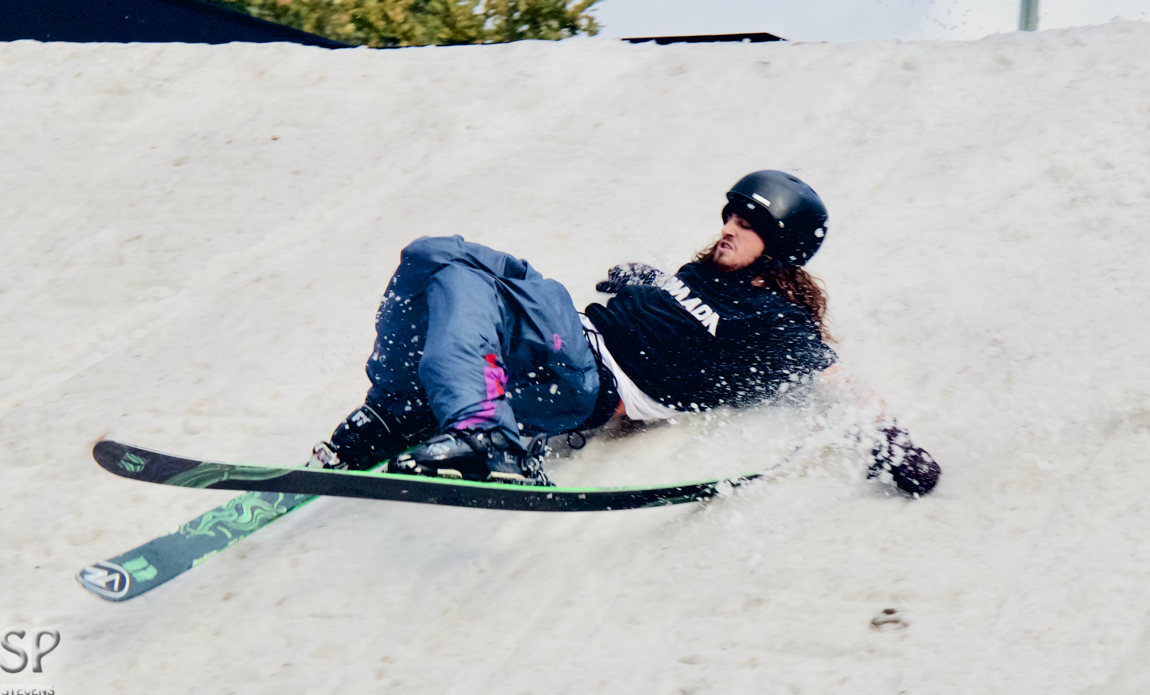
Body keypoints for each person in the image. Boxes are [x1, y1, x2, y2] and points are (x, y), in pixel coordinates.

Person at [309, 170, 940, 496]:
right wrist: (650, 282)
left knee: (465, 269)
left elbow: (839, 382)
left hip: (585, 378)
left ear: (780, 248)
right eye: (730, 214)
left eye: (748, 225)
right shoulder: (697, 274)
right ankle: (397, 410)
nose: (728, 227)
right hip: (557, 349)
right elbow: (679, 307)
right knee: (432, 258)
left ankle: (489, 438)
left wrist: (889, 439)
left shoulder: (775, 322)